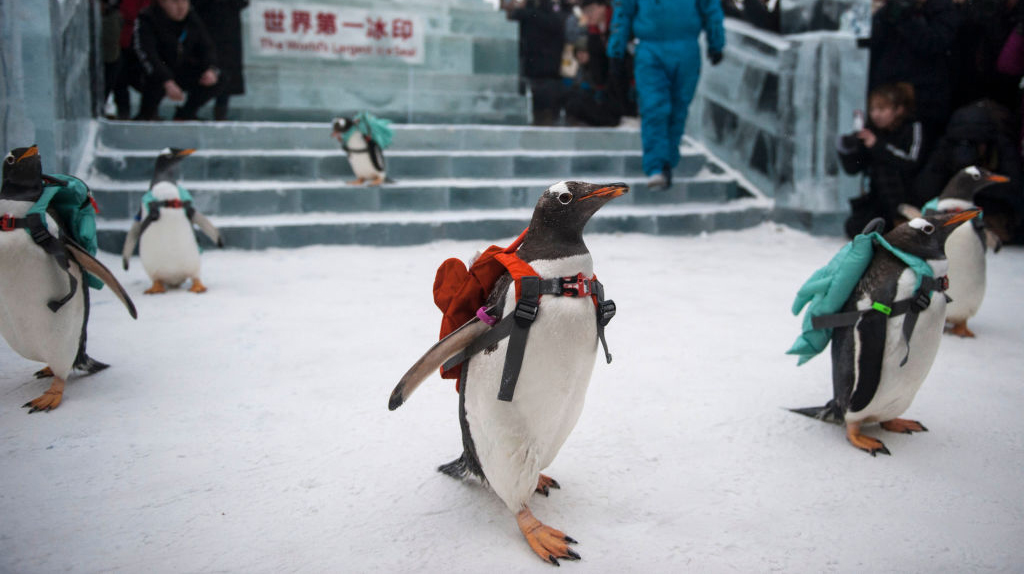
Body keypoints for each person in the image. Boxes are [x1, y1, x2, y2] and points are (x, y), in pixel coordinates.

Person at [607, 0, 726, 189]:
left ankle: (667, 162)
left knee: (678, 108)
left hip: (686, 49)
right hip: (650, 48)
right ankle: (657, 166)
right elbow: (623, 10)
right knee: (653, 106)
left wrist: (716, 40)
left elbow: (711, 6)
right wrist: (616, 47)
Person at [913, 99, 1024, 243]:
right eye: (962, 143)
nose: (965, 149)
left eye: (972, 144)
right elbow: (924, 189)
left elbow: (1015, 190)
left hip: (989, 213)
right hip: (953, 213)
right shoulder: (947, 148)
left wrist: (972, 186)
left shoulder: (999, 148)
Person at [868, 0, 958, 155]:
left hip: (921, 99)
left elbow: (934, 42)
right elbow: (873, 41)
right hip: (885, 92)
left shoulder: (942, 10)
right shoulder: (891, 9)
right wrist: (887, 13)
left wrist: (904, 17)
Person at [837, 83, 926, 237]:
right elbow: (854, 168)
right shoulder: (872, 131)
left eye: (882, 109)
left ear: (899, 110)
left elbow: (911, 162)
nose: (876, 115)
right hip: (877, 202)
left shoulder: (912, 127)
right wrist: (848, 149)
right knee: (856, 228)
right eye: (872, 109)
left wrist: (877, 145)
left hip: (907, 198)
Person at [132, 0, 220, 121]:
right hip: (151, 73)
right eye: (174, 2)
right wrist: (166, 80)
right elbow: (147, 54)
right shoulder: (147, 18)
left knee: (218, 78)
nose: (180, 7)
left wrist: (211, 68)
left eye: (184, 2)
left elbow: (207, 46)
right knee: (153, 83)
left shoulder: (192, 19)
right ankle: (147, 114)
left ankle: (186, 114)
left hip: (180, 69)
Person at [503, 0, 568, 126]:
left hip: (548, 74)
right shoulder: (527, 11)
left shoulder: (550, 9)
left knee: (546, 117)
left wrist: (526, 13)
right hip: (529, 70)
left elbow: (555, 23)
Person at [192, 0, 248, 121]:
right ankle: (190, 110)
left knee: (227, 70)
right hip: (205, 24)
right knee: (202, 66)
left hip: (228, 28)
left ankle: (221, 113)